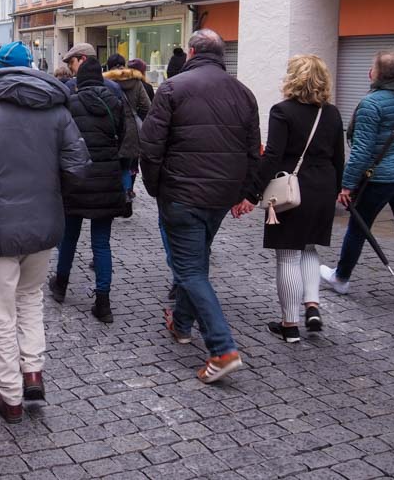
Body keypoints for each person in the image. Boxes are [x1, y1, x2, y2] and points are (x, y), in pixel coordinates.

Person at [0, 41, 90, 424]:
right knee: (30, 299)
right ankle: (33, 373)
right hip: (44, 223)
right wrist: (51, 192)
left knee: (1, 310)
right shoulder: (58, 112)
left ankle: (10, 393)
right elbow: (78, 167)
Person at [140, 29, 260, 383]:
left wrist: (155, 187)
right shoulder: (244, 93)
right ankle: (180, 324)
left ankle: (222, 348)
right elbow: (254, 150)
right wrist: (246, 192)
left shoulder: (173, 87)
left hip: (181, 193)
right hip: (220, 196)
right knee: (196, 260)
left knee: (191, 269)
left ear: (191, 51)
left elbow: (151, 145)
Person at [320, 50, 394, 321]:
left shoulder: (371, 104)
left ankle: (341, 278)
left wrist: (346, 185)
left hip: (380, 178)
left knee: (358, 228)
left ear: (378, 73)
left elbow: (361, 150)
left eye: (372, 67)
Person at [244, 55, 345, 343]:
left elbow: (273, 155)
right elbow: (339, 157)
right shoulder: (333, 113)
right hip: (324, 187)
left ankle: (289, 324)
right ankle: (312, 306)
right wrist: (339, 190)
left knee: (288, 255)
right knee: (310, 248)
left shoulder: (282, 111)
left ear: (293, 78)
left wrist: (252, 193)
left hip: (292, 190)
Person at [49, 58, 125, 323]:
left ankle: (60, 284)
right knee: (101, 243)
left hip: (77, 179)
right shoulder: (114, 102)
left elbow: (60, 141)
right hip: (106, 180)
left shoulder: (70, 104)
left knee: (69, 236)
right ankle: (103, 301)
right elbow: (123, 138)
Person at [105, 53, 151, 199]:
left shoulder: (105, 82)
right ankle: (126, 194)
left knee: (111, 166)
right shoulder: (136, 82)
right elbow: (146, 106)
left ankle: (116, 196)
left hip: (110, 127)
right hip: (131, 129)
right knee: (126, 165)